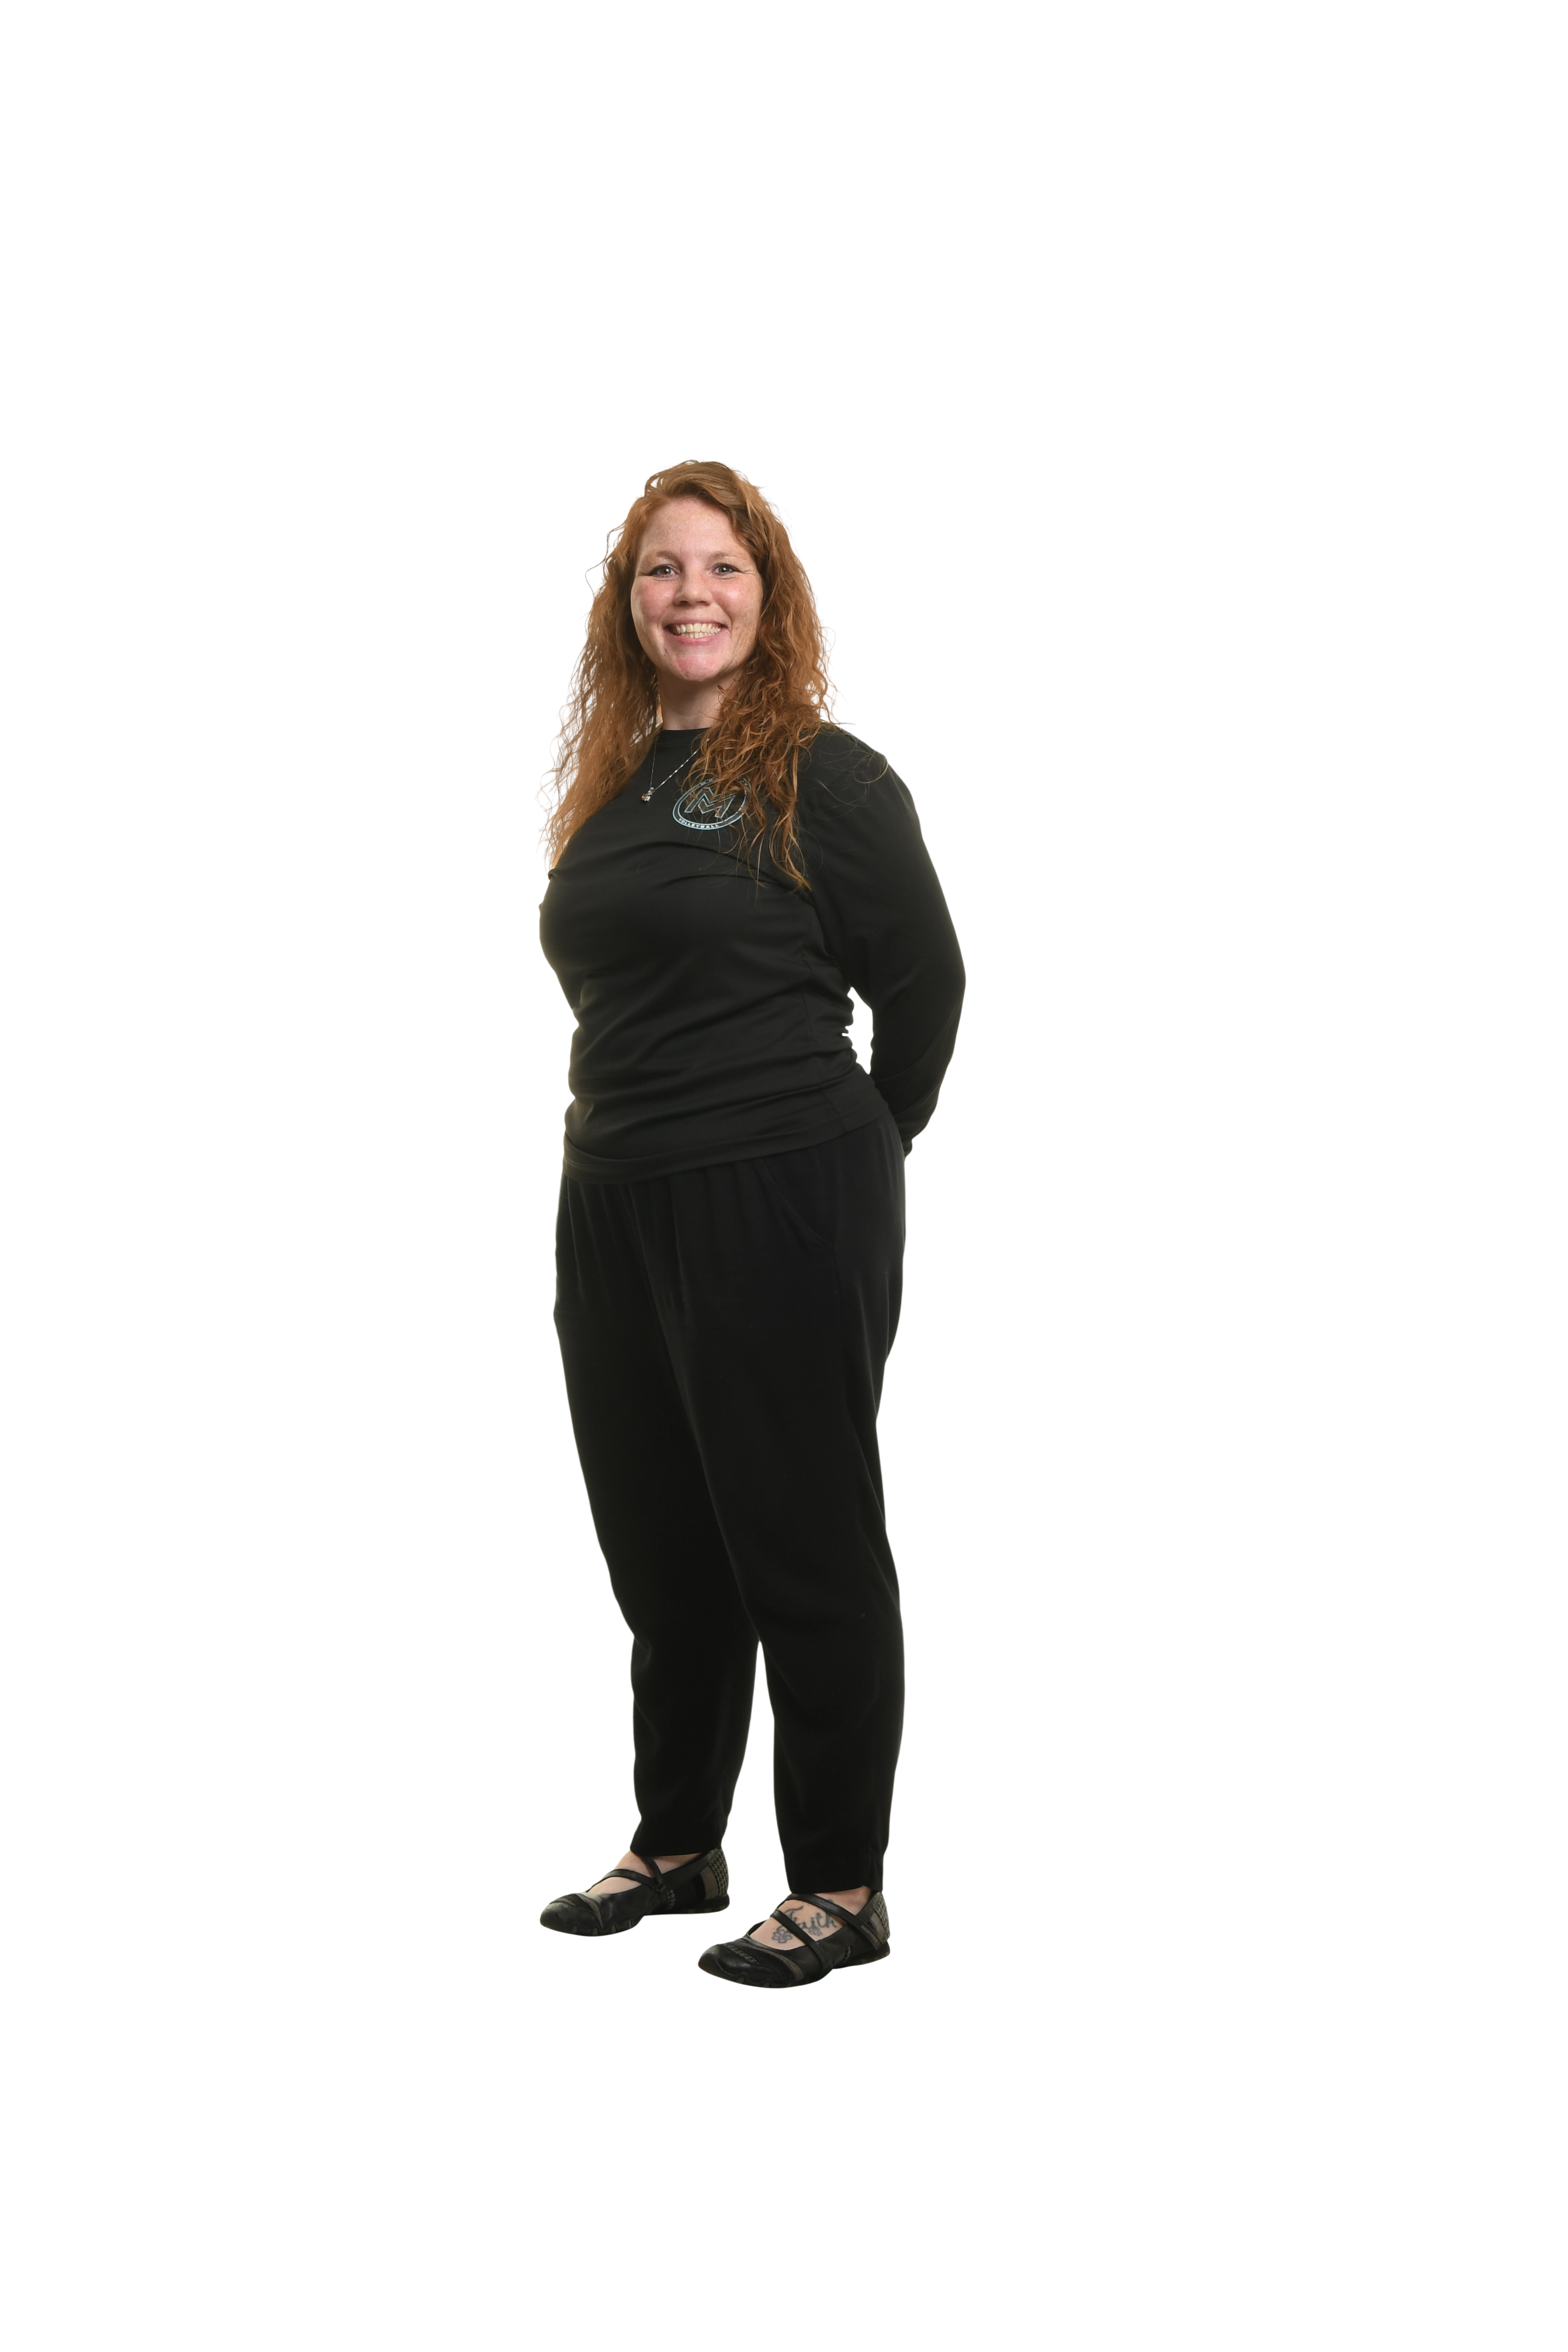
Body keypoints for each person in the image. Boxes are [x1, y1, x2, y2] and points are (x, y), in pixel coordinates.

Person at [534, 460, 965, 1987]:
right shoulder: (603, 773)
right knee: (661, 1546)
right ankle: (679, 1846)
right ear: (625, 597)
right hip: (613, 1193)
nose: (691, 595)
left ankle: (840, 1881)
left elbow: (926, 983)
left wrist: (856, 1146)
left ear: (771, 594)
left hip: (779, 1185)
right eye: (661, 568)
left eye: (724, 566)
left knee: (804, 1541)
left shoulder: (823, 774)